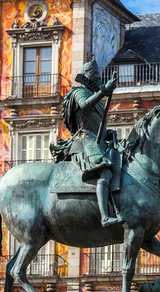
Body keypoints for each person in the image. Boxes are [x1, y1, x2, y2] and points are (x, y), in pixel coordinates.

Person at [53, 58, 122, 227]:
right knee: (105, 173)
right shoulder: (79, 91)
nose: (98, 78)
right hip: (84, 140)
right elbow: (84, 106)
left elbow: (97, 125)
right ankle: (105, 216)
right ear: (86, 75)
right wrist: (105, 90)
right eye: (94, 75)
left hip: (96, 140)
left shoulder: (94, 96)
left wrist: (107, 133)